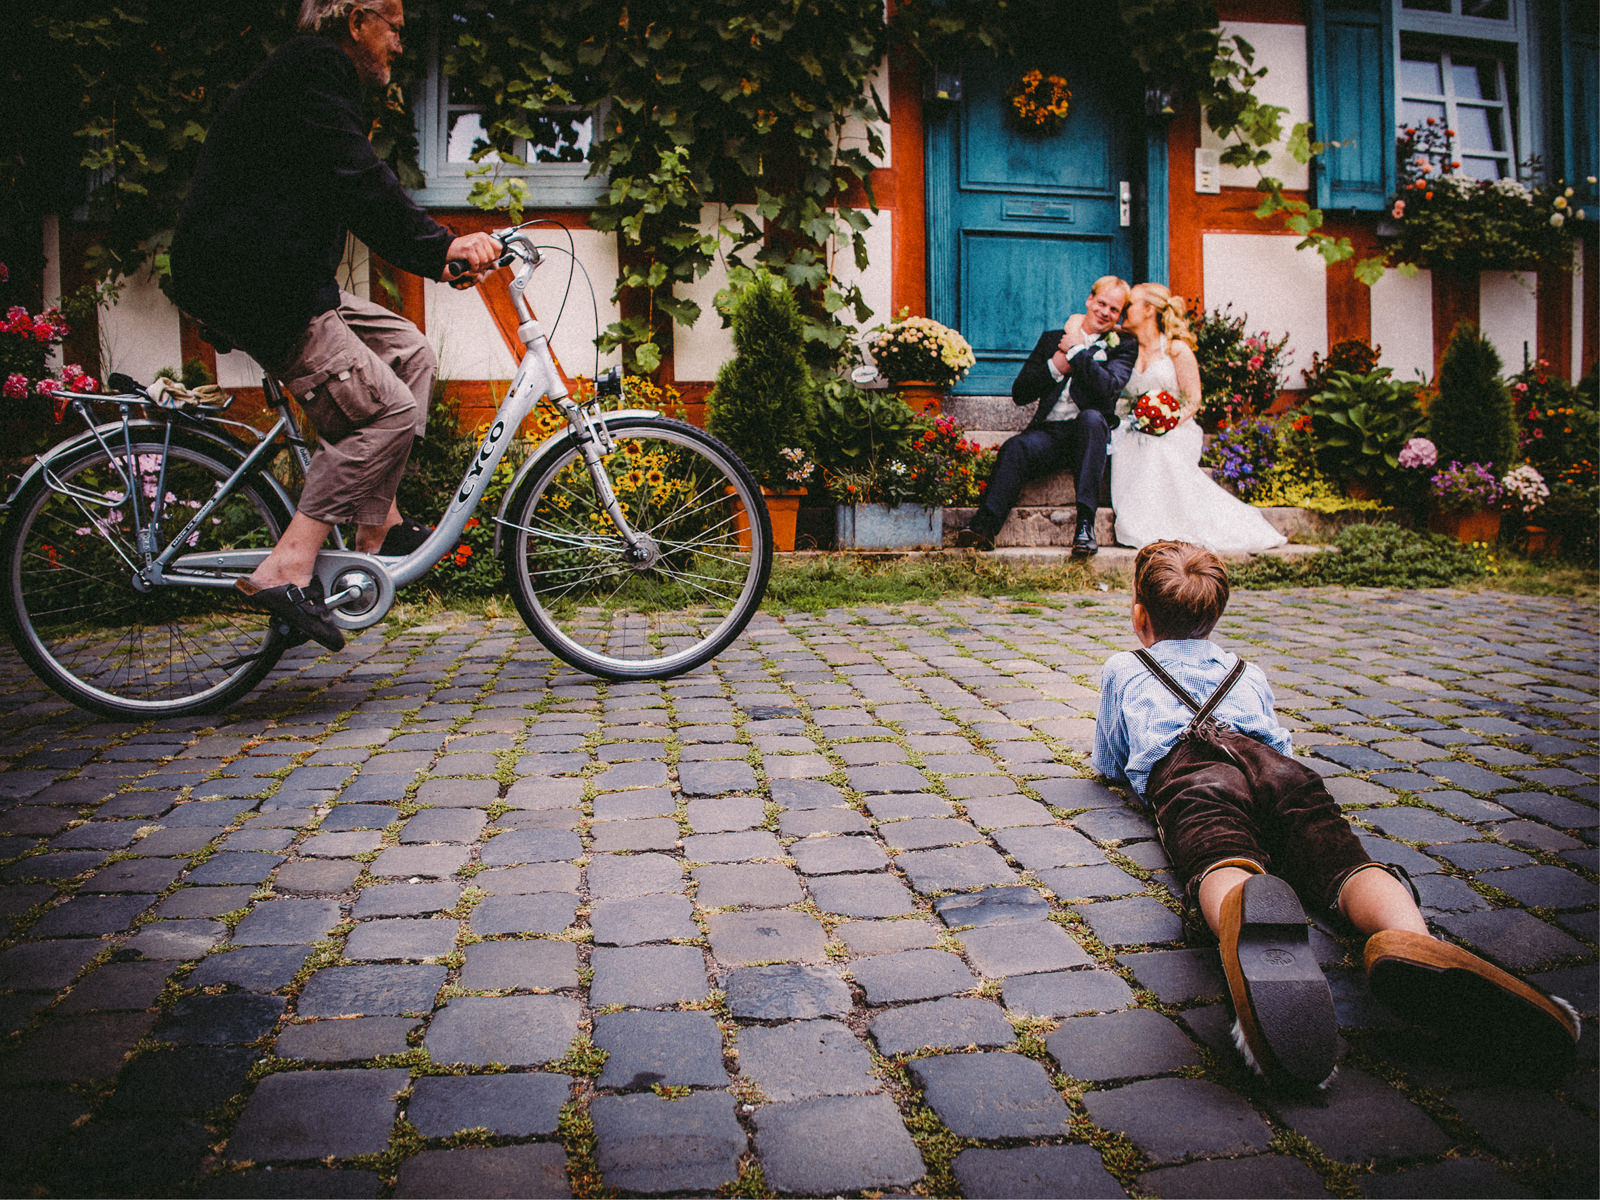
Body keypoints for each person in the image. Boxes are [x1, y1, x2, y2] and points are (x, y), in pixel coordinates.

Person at [1092, 541, 1580, 1088]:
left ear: (1140, 614)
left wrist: (1121, 772)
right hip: (1277, 770)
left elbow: (1110, 759)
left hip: (1194, 775)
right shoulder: (1244, 670)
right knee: (1340, 856)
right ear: (1215, 613)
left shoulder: (1125, 667)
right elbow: (1277, 737)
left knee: (1218, 850)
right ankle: (1411, 937)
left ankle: (1242, 908)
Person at [169, 0, 502, 650]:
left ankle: (375, 531)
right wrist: (440, 248)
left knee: (410, 353)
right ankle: (286, 569)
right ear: (356, 21)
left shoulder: (315, 77)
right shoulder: (315, 70)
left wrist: (435, 255)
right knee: (389, 413)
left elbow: (356, 190)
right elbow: (362, 181)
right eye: (395, 30)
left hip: (280, 272)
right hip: (257, 281)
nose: (399, 46)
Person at [956, 276, 1137, 555]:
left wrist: (1077, 352)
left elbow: (1108, 388)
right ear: (1089, 301)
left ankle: (1085, 528)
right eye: (1101, 303)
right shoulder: (1053, 339)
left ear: (1119, 315)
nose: (1105, 312)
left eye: (1114, 310)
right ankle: (984, 528)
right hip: (1051, 434)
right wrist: (1055, 366)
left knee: (1091, 418)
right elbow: (1021, 393)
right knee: (1016, 446)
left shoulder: (1122, 346)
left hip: (1088, 437)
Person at [1110, 283, 1286, 554]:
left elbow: (1193, 401)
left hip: (1175, 428)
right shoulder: (1123, 348)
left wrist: (1163, 422)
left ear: (1148, 310)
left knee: (1158, 449)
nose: (1123, 311)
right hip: (1133, 428)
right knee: (1137, 445)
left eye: (1130, 305)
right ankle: (1144, 520)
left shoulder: (1176, 350)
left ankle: (1167, 526)